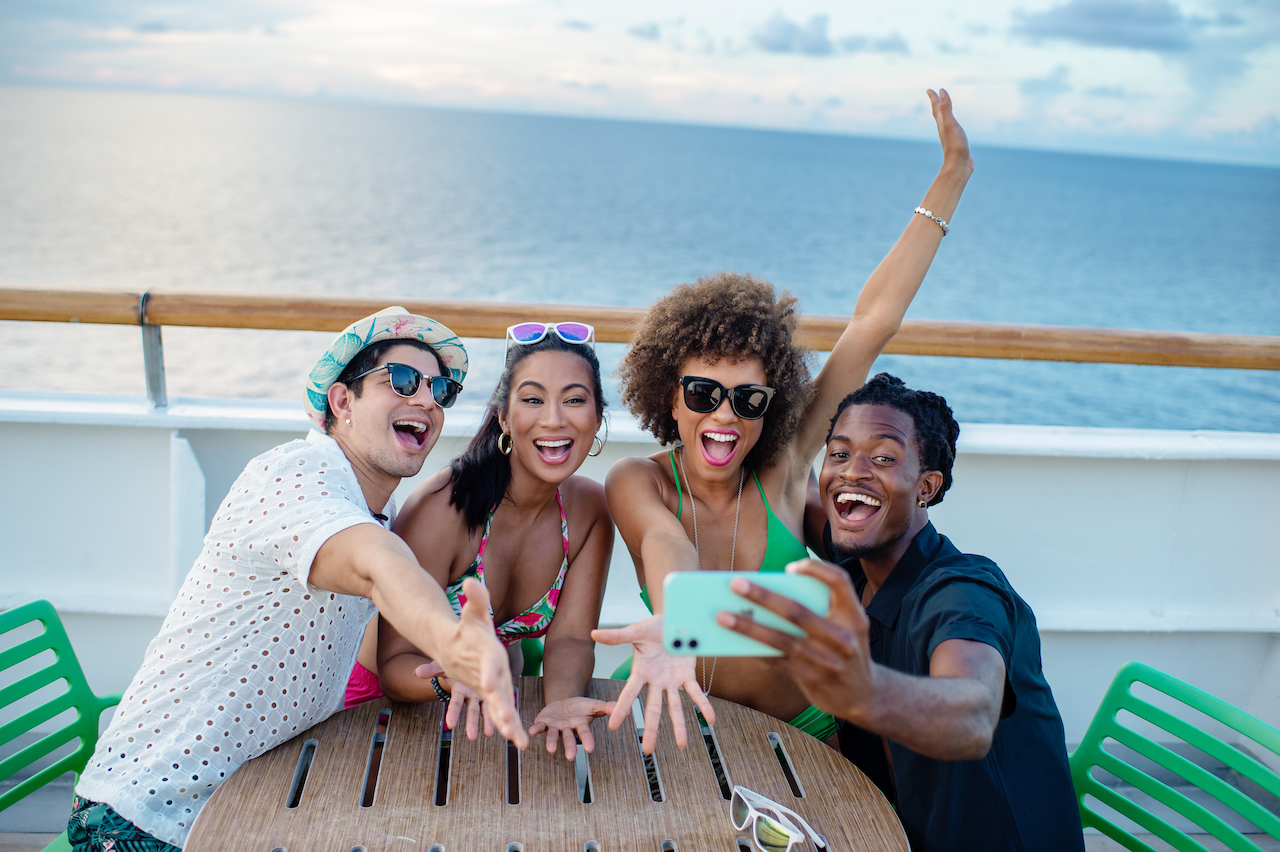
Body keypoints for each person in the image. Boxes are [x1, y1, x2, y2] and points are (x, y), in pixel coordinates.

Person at [592, 88, 974, 753]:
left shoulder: (783, 465)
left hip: (796, 732)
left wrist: (950, 180)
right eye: (704, 393)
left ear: (771, 408)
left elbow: (872, 325)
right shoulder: (637, 480)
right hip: (668, 691)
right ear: (670, 395)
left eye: (748, 399)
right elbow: (666, 546)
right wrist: (677, 618)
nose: (724, 416)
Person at [69, 307, 528, 852]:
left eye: (441, 389)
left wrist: (451, 669)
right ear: (341, 402)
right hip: (146, 817)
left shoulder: (375, 505)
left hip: (253, 807)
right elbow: (376, 564)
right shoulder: (292, 475)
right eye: (402, 380)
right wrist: (453, 641)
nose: (427, 399)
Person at [718, 374, 1085, 852]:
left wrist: (864, 690)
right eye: (839, 453)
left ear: (926, 487)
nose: (852, 472)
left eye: (885, 457)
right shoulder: (855, 565)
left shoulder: (963, 590)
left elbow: (971, 714)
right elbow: (789, 470)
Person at [375, 323, 616, 759]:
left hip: (487, 718)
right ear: (504, 417)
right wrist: (449, 677)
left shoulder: (589, 510)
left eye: (575, 400)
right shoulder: (444, 507)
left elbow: (572, 640)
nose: (554, 419)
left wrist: (560, 701)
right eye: (532, 399)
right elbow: (392, 666)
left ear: (597, 418)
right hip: (382, 713)